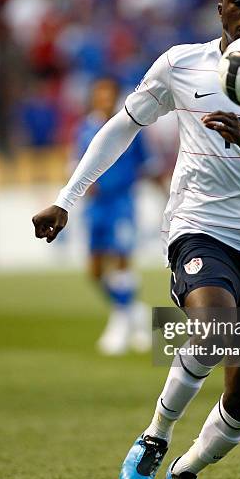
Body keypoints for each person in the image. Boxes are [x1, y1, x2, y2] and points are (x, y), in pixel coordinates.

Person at [32, 0, 240, 479]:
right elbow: (123, 124)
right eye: (239, 2)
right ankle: (155, 435)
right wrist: (67, 199)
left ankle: (185, 469)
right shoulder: (181, 64)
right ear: (220, 10)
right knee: (214, 329)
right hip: (199, 228)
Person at [75, 77, 155, 355]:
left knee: (122, 260)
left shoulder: (131, 127)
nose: (106, 98)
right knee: (94, 271)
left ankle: (120, 323)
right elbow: (77, 163)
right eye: (101, 93)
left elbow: (148, 164)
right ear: (95, 97)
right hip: (96, 208)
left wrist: (166, 191)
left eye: (110, 93)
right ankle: (134, 311)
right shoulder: (85, 128)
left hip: (122, 203)